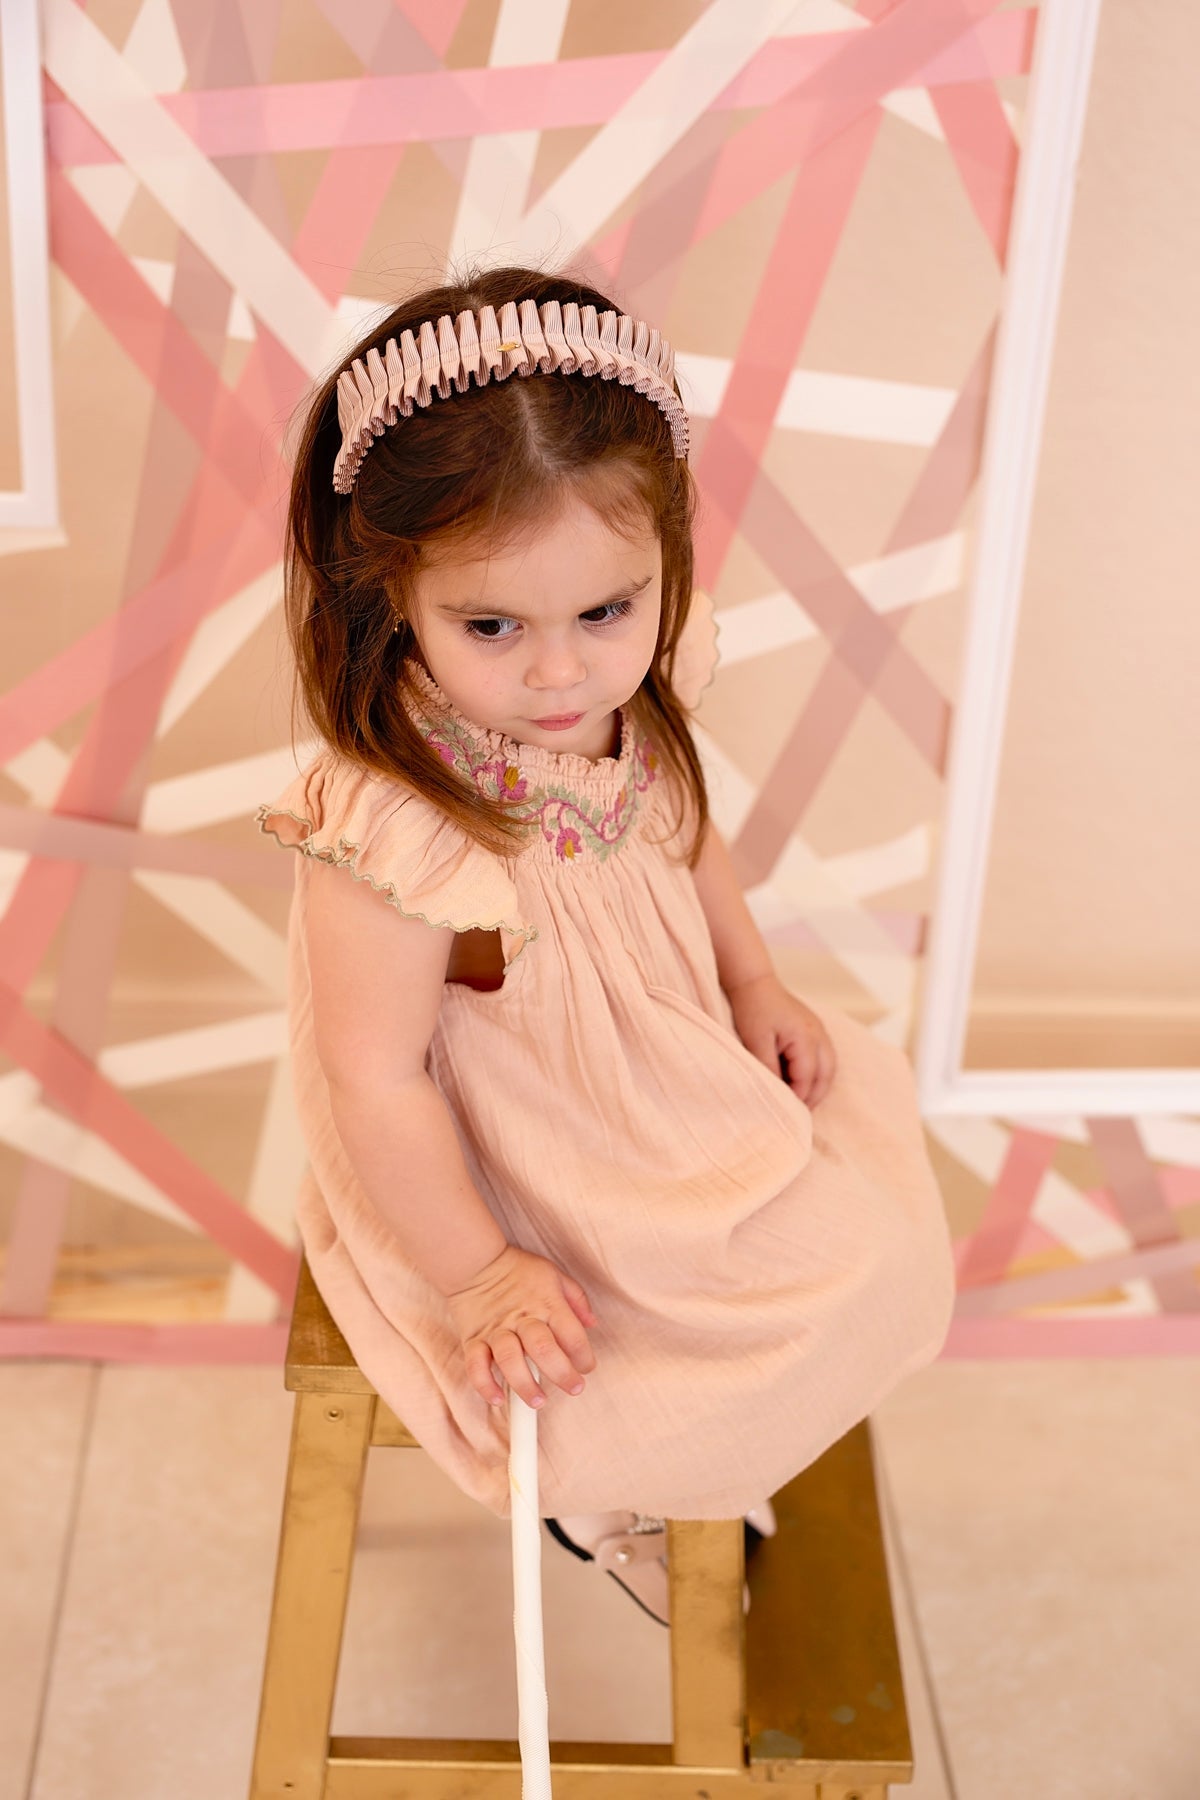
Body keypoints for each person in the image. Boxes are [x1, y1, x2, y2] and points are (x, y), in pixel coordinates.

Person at [257, 264, 957, 1626]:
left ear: (661, 565)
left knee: (860, 1243)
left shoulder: (630, 696)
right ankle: (612, 1479)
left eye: (605, 613)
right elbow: (376, 1078)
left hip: (660, 1069)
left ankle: (710, 1435)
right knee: (628, 1338)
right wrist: (480, 1274)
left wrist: (752, 979)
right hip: (500, 1142)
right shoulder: (395, 825)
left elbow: (685, 834)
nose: (560, 672)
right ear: (393, 590)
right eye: (492, 627)